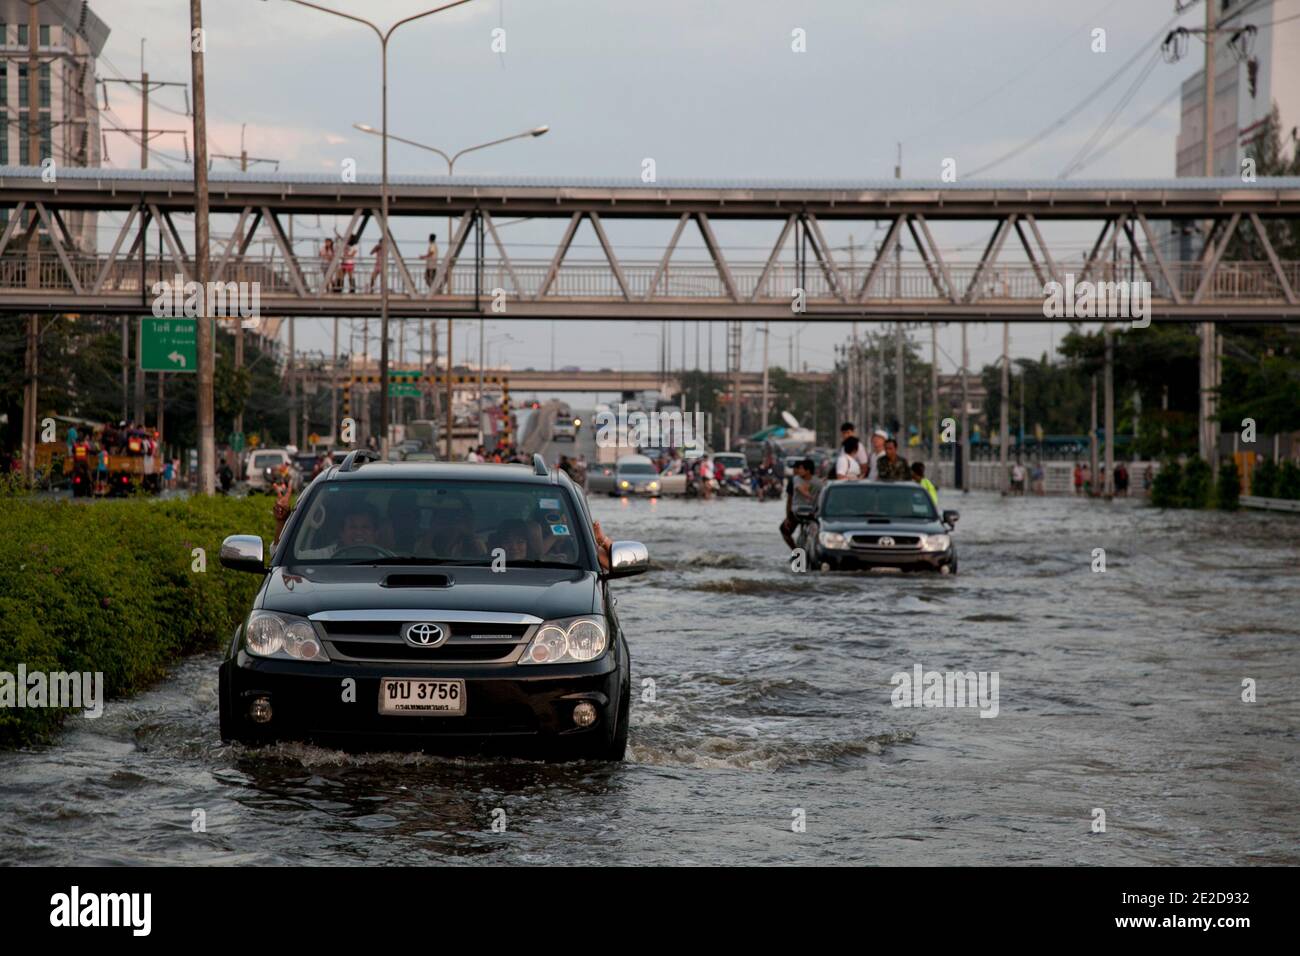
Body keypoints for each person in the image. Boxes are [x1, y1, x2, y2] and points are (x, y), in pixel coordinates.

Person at [779, 458, 822, 550]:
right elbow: (797, 492)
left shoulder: (818, 483)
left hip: (811, 514)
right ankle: (795, 550)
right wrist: (788, 517)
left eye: (801, 468)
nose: (799, 470)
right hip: (797, 513)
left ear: (808, 470)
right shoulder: (796, 480)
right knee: (784, 530)